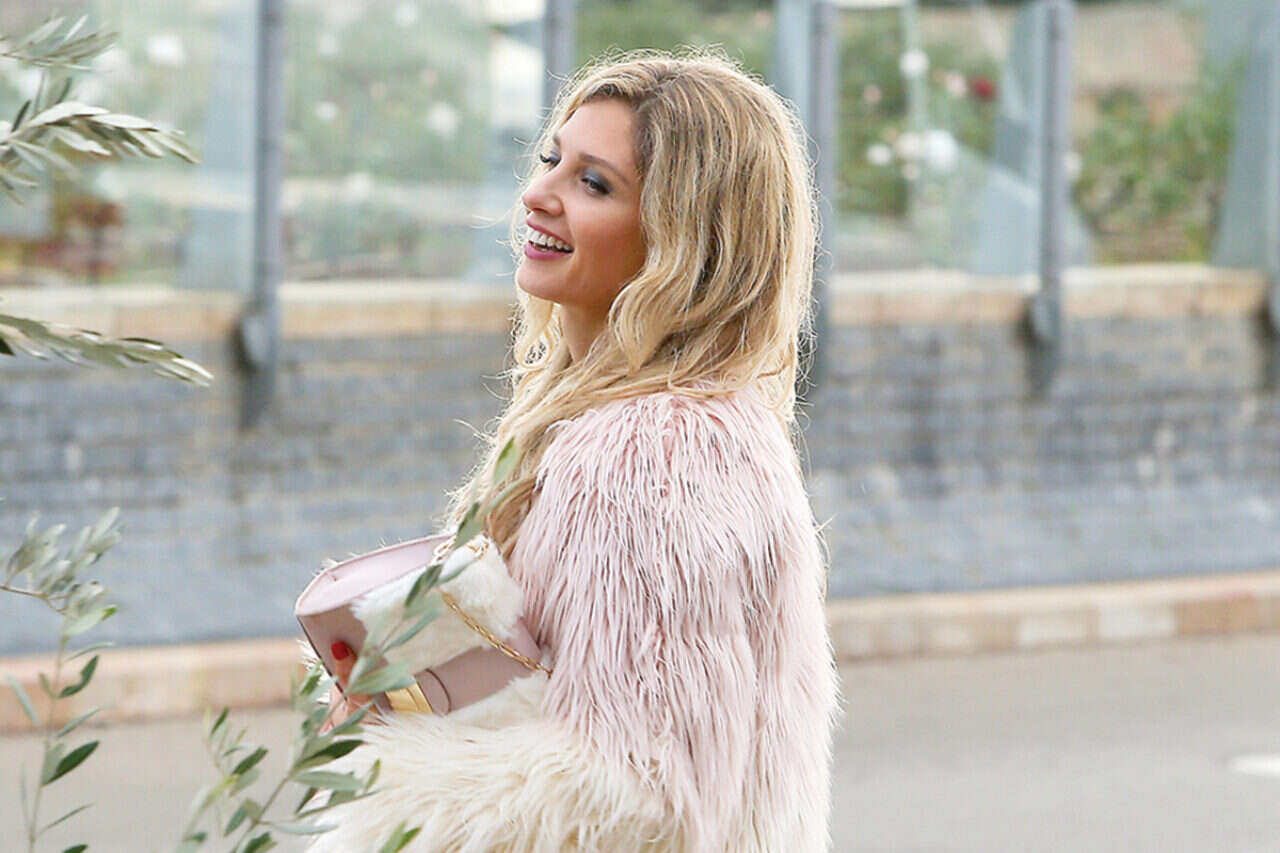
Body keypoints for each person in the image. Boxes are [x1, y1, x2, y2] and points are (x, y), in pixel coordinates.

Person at [313, 50, 839, 852]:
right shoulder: (656, 425)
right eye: (551, 160)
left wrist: (390, 782)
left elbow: (643, 787)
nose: (538, 194)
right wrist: (402, 695)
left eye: (594, 183)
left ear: (683, 238)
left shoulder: (657, 454)